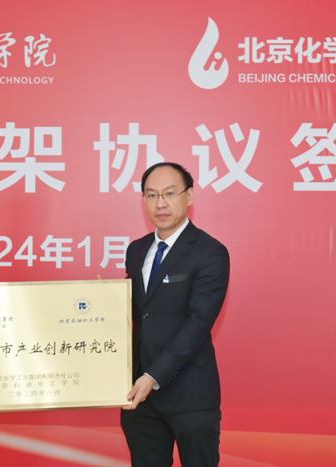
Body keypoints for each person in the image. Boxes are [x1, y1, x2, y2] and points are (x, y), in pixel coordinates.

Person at [120, 162, 230, 467]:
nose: (160, 203)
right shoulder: (136, 250)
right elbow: (136, 313)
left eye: (170, 193)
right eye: (152, 195)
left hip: (190, 395)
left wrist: (153, 376)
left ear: (189, 196)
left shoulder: (209, 251)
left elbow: (198, 323)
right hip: (139, 397)